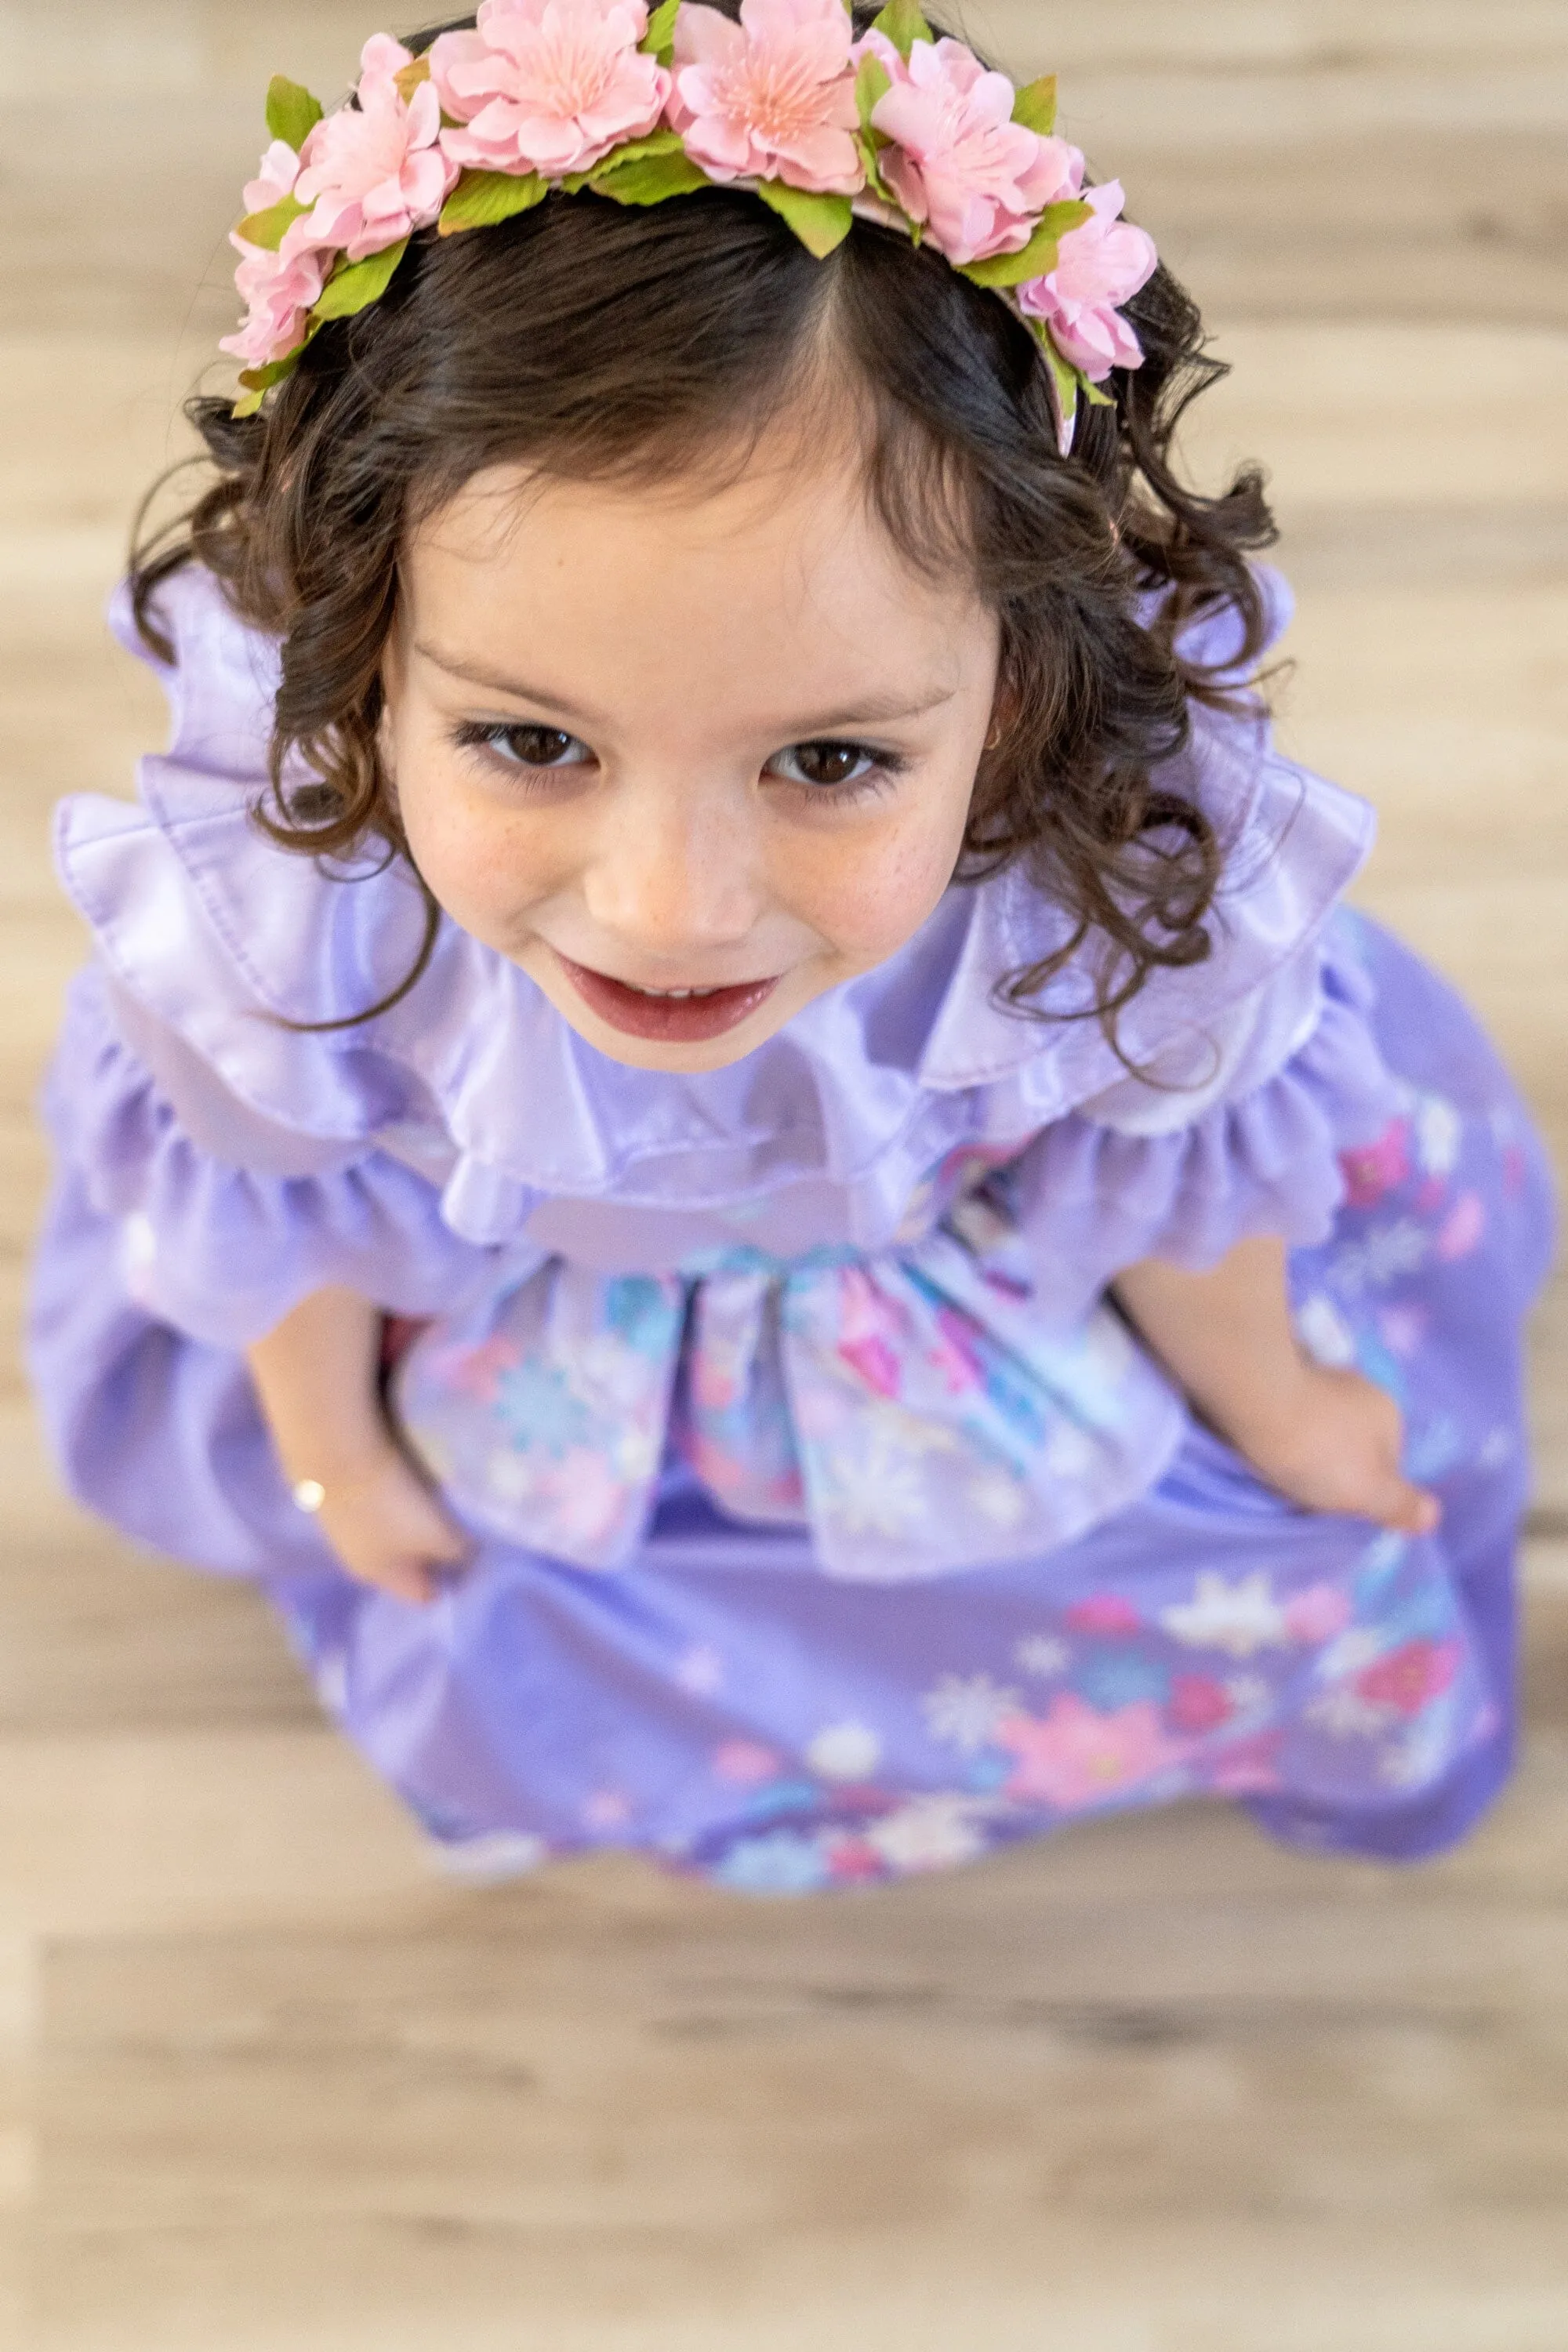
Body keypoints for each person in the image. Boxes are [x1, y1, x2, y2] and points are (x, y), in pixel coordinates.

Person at [31, 0, 1555, 1893]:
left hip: (971, 1314)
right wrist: (332, 1454)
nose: (669, 911)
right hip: (545, 1361)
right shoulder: (309, 915)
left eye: (830, 760)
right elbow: (294, 1225)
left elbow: (1164, 1183)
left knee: (1281, 1557)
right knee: (510, 1633)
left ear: (1012, 696)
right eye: (529, 741)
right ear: (363, 662)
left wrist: (1278, 1410)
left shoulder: (1079, 898)